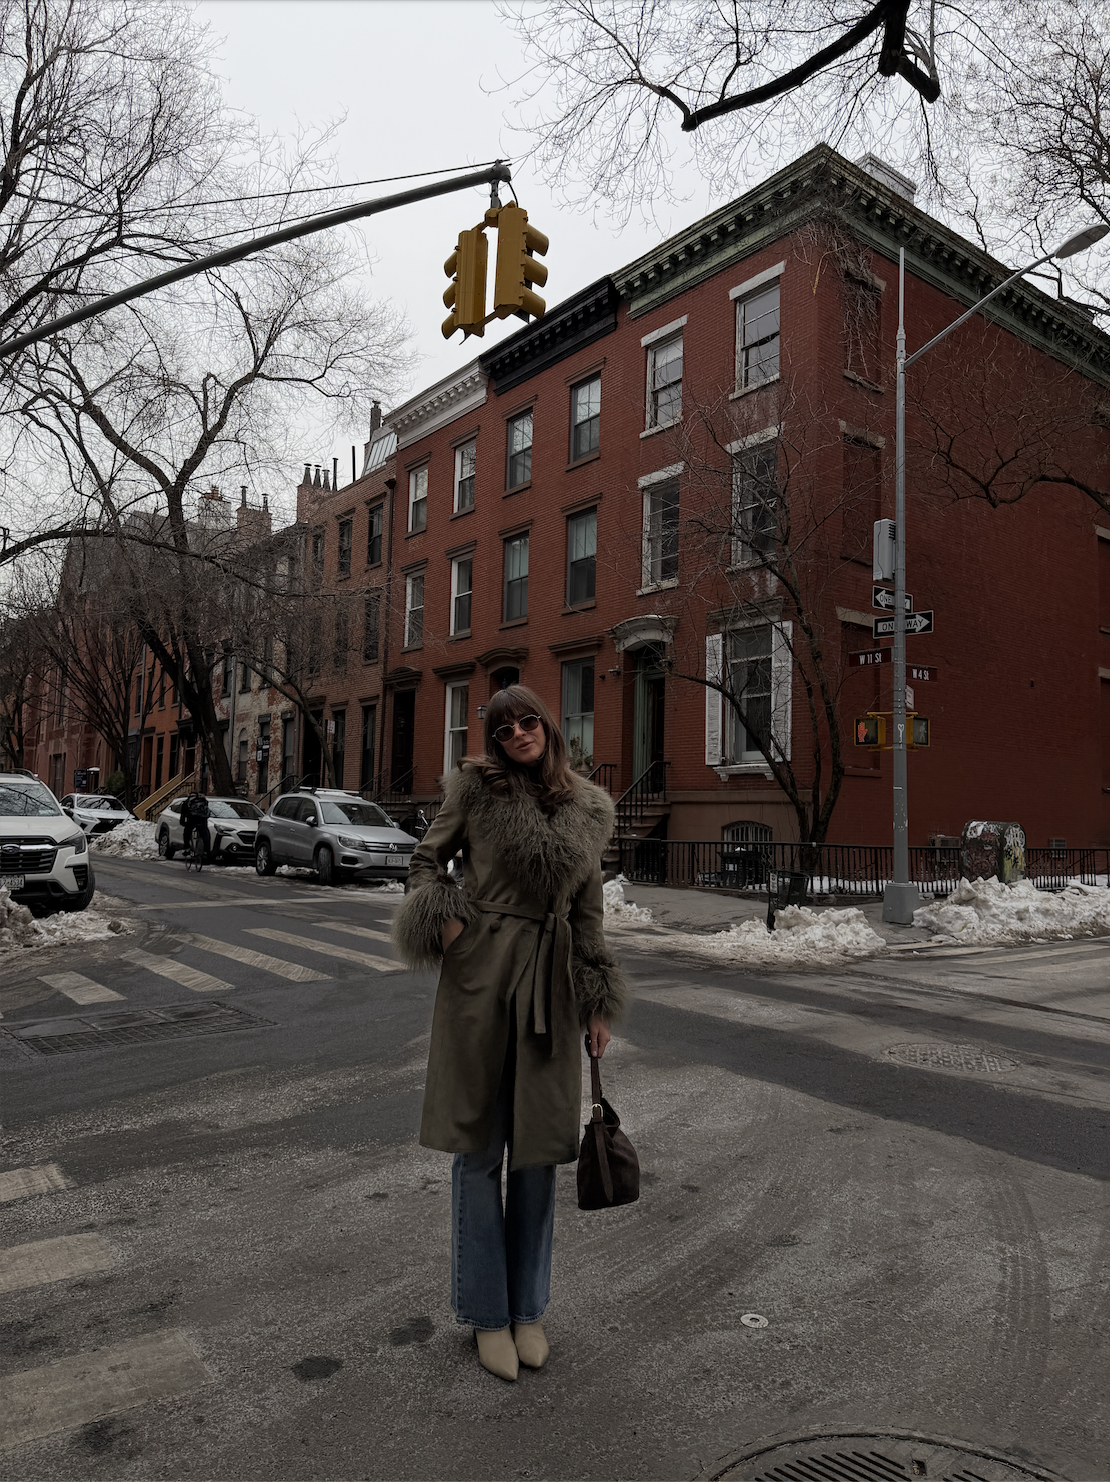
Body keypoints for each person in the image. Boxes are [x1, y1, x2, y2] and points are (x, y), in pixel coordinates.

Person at [392, 684, 627, 1382]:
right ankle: (486, 1316)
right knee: (478, 1149)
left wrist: (597, 1001)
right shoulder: (474, 790)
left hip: (552, 985)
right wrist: (455, 927)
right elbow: (424, 863)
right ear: (492, 740)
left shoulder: (589, 808)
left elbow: (588, 915)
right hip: (479, 981)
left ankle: (528, 1310)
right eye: (503, 728)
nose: (518, 734)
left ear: (548, 729)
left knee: (537, 1154)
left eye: (528, 722)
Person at [181, 791, 210, 862]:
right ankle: (206, 851)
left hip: (192, 820)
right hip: (202, 820)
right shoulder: (203, 801)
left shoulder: (186, 802)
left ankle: (187, 848)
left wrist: (183, 822)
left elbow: (183, 815)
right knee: (205, 834)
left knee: (187, 832)